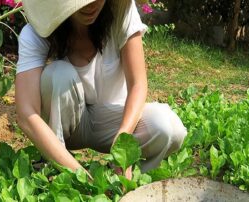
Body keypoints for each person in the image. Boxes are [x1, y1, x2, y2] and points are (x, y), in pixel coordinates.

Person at [15, 0, 187, 179]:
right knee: (58, 74)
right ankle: (58, 166)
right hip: (67, 124)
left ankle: (124, 177)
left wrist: (122, 143)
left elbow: (138, 84)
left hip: (112, 122)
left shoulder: (121, 13)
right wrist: (80, 176)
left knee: (169, 128)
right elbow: (27, 114)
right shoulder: (37, 32)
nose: (91, 5)